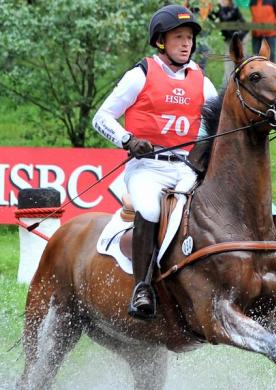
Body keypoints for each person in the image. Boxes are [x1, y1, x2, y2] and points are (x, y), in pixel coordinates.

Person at [92, 5, 218, 319]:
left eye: (189, 37)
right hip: (147, 167)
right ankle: (142, 287)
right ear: (161, 41)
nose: (186, 44)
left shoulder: (201, 79)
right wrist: (127, 140)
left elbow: (220, 122)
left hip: (185, 168)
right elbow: (101, 117)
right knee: (148, 209)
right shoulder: (142, 74)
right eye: (179, 37)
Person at [212, 0, 248, 87]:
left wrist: (239, 36)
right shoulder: (220, 9)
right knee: (229, 64)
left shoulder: (234, 9)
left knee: (241, 63)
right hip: (229, 40)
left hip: (239, 40)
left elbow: (244, 26)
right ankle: (227, 87)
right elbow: (212, 17)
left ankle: (241, 84)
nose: (222, 1)